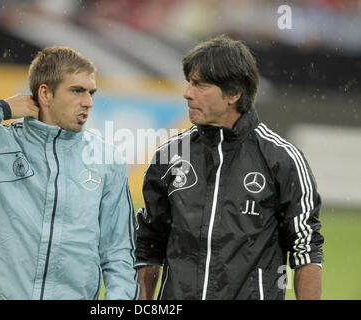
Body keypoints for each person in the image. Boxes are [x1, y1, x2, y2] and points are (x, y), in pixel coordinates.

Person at [0, 46, 139, 300]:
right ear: (45, 93)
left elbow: (119, 251)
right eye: (77, 90)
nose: (88, 102)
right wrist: (0, 109)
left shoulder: (106, 159)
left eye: (91, 92)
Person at [135, 35, 324, 300]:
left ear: (233, 93)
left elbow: (306, 250)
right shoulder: (170, 156)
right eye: (189, 82)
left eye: (200, 85)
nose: (187, 93)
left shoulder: (282, 159)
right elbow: (149, 245)